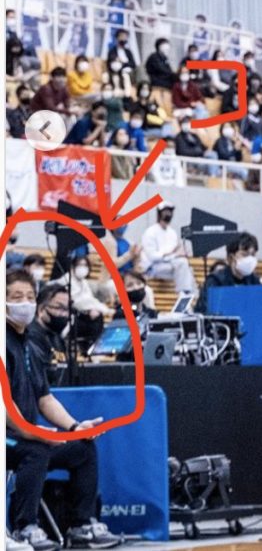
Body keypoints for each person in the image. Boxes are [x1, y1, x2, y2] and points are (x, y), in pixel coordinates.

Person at [5, 269, 120, 550]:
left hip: (27, 434)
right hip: (7, 436)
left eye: (29, 296)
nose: (24, 302)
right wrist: (37, 434)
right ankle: (24, 528)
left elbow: (45, 399)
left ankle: (81, 524)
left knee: (82, 448)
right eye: (16, 297)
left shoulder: (30, 345)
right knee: (35, 451)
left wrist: (74, 427)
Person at [194, 233, 261, 313]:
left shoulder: (254, 281)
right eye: (244, 254)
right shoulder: (215, 280)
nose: (250, 259)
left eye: (253, 255)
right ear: (231, 257)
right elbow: (204, 310)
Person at [138, 204, 197, 293]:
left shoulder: (172, 232)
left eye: (170, 211)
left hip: (171, 266)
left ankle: (190, 297)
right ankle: (184, 294)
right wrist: (172, 254)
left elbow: (174, 252)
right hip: (153, 268)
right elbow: (152, 257)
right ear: (159, 213)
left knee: (187, 268)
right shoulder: (150, 232)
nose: (168, 214)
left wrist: (180, 253)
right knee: (182, 265)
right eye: (166, 211)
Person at [27, 282, 71, 384]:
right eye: (59, 308)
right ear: (41, 309)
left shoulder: (57, 338)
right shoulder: (30, 337)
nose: (64, 314)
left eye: (67, 309)